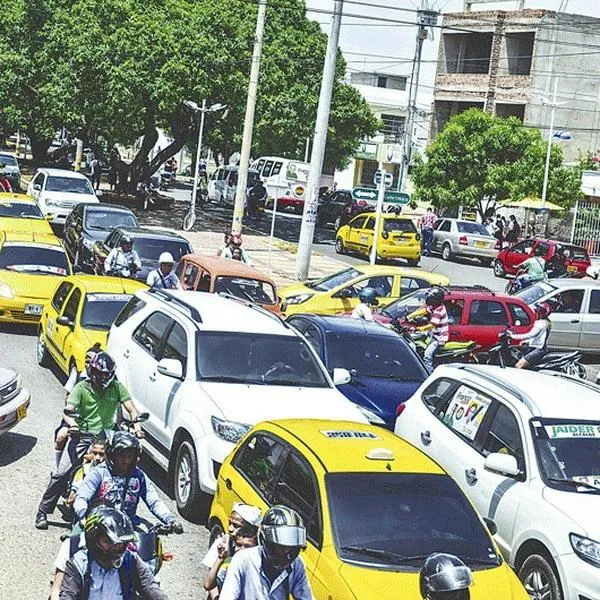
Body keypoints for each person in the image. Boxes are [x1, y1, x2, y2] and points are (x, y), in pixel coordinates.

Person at [35, 351, 142, 530]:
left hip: (108, 436)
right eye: (100, 373)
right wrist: (73, 424)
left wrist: (137, 426)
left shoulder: (116, 387)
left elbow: (132, 409)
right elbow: (67, 409)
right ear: (92, 372)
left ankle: (123, 513)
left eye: (106, 374)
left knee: (127, 469)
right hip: (83, 435)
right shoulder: (81, 388)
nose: (103, 377)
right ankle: (43, 511)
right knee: (61, 472)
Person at [73, 431, 182, 532]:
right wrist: (83, 517)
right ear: (112, 454)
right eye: (121, 456)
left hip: (127, 529)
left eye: (129, 456)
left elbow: (154, 501)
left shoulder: (138, 475)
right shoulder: (98, 473)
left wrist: (170, 520)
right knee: (75, 544)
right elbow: (82, 497)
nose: (126, 461)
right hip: (98, 528)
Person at [58, 506, 169, 599]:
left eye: (120, 543)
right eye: (108, 542)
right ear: (93, 538)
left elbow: (149, 586)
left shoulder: (130, 560)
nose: (116, 547)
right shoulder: (78, 563)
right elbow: (68, 594)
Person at [219, 505, 313, 600]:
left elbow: (306, 597)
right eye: (280, 547)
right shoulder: (243, 560)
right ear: (266, 541)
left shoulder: (296, 565)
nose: (286, 552)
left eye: (291, 547)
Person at [412, 287, 449, 372]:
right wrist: (410, 316)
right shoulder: (434, 307)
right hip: (432, 334)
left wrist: (418, 328)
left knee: (427, 355)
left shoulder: (439, 310)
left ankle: (428, 373)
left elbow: (433, 324)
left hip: (438, 337)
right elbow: (425, 311)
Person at [507, 302, 552, 369]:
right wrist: (526, 341)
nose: (534, 313)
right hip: (533, 346)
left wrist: (513, 336)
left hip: (538, 349)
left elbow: (531, 335)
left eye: (536, 311)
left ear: (540, 313)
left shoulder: (542, 323)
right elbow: (537, 336)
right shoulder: (543, 322)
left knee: (518, 365)